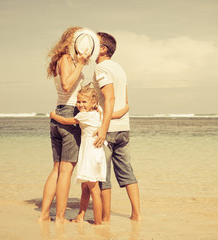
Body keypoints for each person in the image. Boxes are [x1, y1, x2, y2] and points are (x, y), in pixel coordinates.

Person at [38, 27, 96, 224]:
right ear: (72, 42)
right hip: (68, 114)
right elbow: (66, 85)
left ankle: (45, 214)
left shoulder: (63, 60)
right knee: (65, 171)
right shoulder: (66, 60)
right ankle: (60, 217)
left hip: (59, 113)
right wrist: (80, 64)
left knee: (57, 169)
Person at [49, 85, 129, 224]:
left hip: (90, 154)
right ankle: (81, 217)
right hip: (96, 154)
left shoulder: (84, 115)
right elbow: (113, 114)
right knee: (86, 186)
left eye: (84, 102)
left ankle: (98, 223)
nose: (80, 105)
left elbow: (66, 121)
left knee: (94, 189)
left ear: (93, 102)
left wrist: (54, 116)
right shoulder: (99, 111)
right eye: (78, 102)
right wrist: (126, 107)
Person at [91, 32, 141, 221]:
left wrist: (103, 126)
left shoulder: (101, 68)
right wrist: (117, 115)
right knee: (127, 171)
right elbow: (125, 103)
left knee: (103, 176)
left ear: (103, 49)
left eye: (94, 44)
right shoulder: (119, 69)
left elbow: (110, 98)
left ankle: (105, 219)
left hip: (108, 129)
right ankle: (136, 215)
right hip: (123, 128)